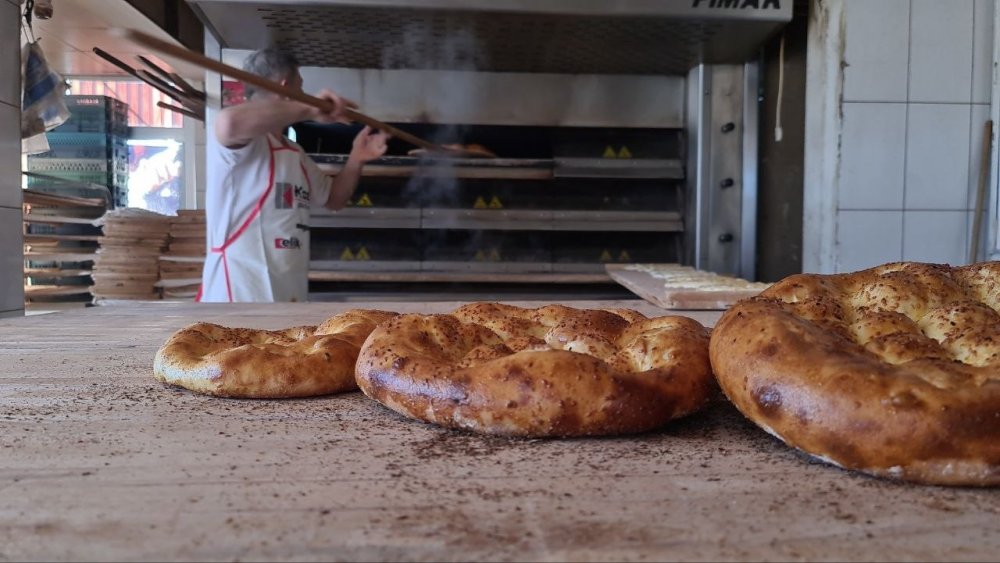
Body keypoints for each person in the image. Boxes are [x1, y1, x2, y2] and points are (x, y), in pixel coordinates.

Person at [198, 48, 389, 302]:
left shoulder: (293, 152)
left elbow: (334, 198)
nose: (304, 97)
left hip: (288, 293)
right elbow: (229, 123)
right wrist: (309, 110)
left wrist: (357, 157)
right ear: (285, 88)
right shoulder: (240, 147)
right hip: (238, 294)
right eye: (300, 89)